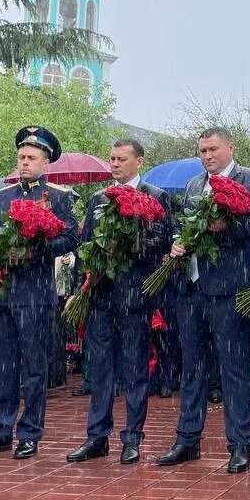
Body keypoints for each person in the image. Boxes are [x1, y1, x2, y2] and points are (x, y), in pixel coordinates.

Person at [156, 127, 250, 474]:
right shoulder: (194, 184)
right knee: (192, 366)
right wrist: (177, 243)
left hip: (228, 287)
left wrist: (228, 227)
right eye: (202, 150)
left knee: (234, 368)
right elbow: (182, 224)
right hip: (191, 288)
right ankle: (187, 439)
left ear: (229, 148)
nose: (207, 156)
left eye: (212, 149)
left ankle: (240, 444)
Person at [0, 126, 78, 461]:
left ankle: (29, 432)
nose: (24, 163)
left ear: (46, 162)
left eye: (31, 158)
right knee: (1, 365)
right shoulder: (2, 197)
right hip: (1, 293)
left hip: (34, 293)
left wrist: (36, 251)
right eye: (21, 157)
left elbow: (70, 238)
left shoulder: (57, 197)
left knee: (33, 367)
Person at [67, 139, 172, 464]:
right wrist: (87, 275)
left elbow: (162, 240)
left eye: (121, 159)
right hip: (100, 293)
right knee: (100, 369)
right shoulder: (98, 198)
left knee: (135, 368)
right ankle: (97, 436)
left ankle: (132, 438)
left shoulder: (156, 197)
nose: (115, 164)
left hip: (135, 294)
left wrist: (128, 245)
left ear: (138, 161)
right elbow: (85, 245)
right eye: (111, 158)